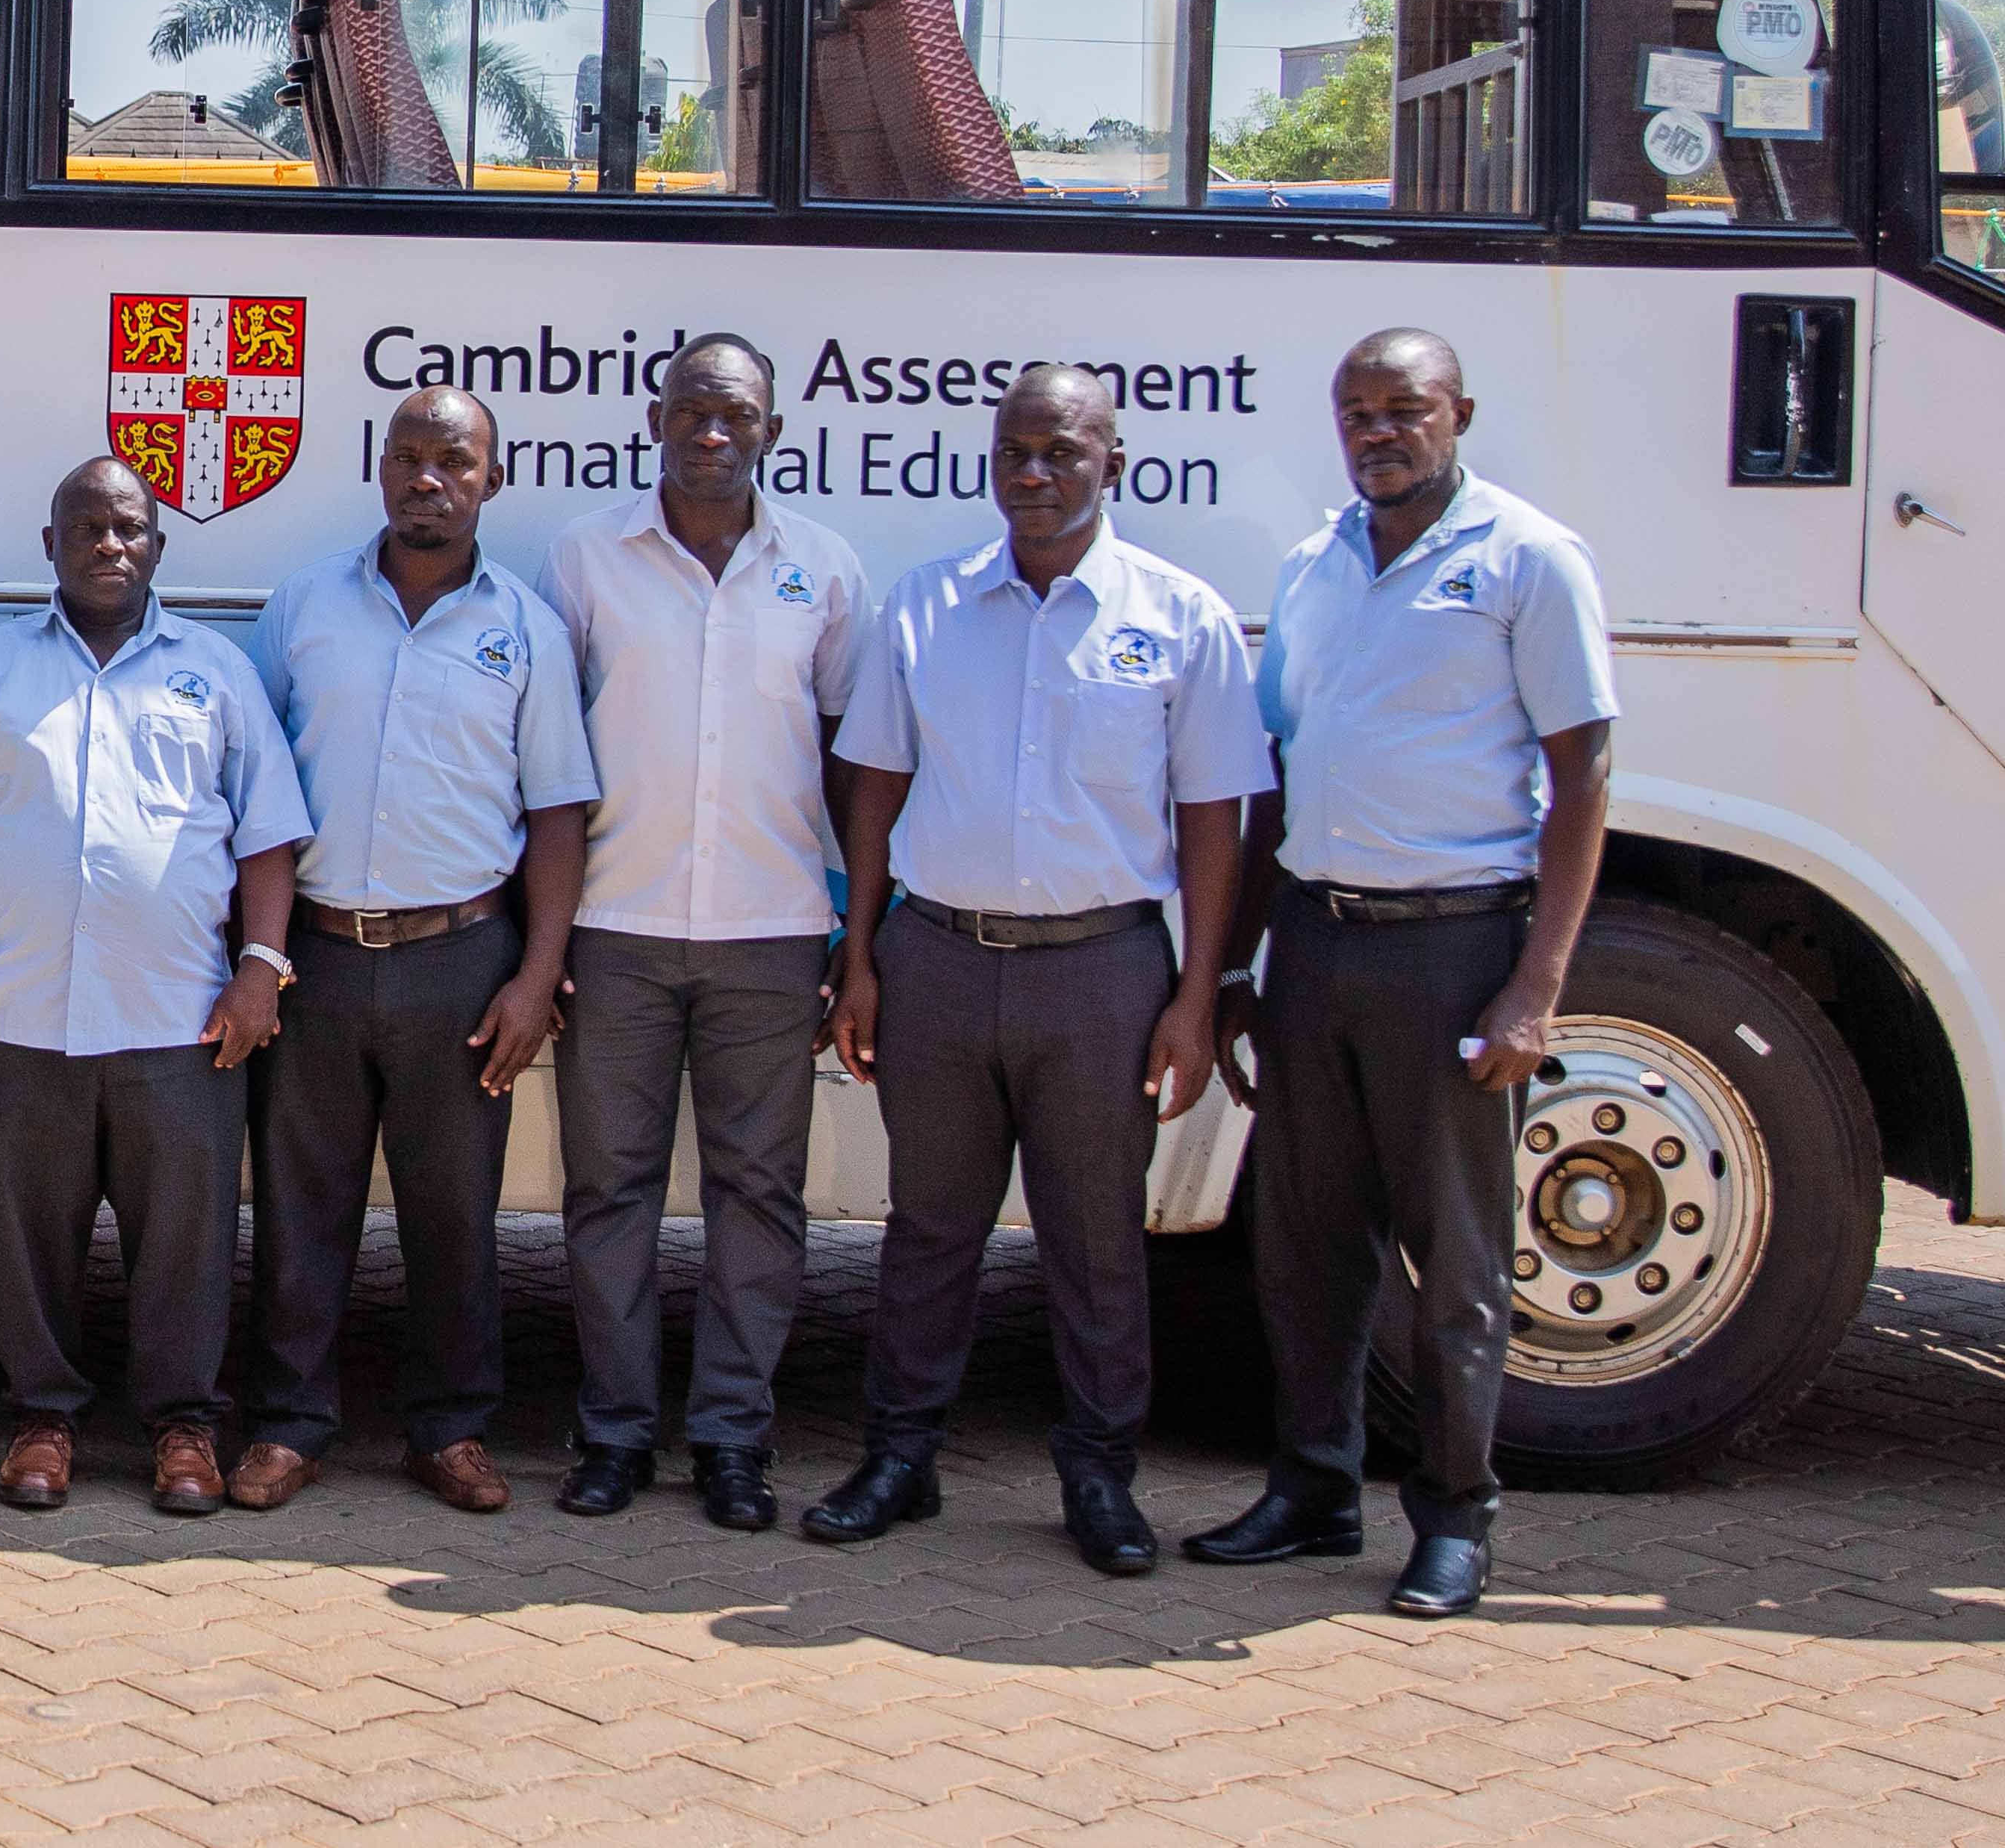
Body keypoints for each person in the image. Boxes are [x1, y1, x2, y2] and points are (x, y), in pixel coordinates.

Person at [1182, 328, 1617, 1623]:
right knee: (1306, 1248)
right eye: (1357, 411)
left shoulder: (1527, 560)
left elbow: (1585, 776)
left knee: (1459, 1257)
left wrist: (1534, 988)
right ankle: (1313, 1489)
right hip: (1318, 940)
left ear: (1460, 413)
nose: (1379, 431)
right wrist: (1245, 964)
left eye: (1405, 408)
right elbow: (1280, 774)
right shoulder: (1315, 566)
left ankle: (1455, 1520)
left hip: (1452, 943)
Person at [819, 365, 1266, 1575]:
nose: (1032, 472)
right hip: (939, 961)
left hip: (1105, 973)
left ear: (1110, 463)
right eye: (1015, 450)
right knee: (929, 1231)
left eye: (1061, 451)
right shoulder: (927, 607)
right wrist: (859, 955)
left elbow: (1216, 820)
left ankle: (1100, 1478)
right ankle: (900, 1457)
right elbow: (873, 793)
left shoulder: (1180, 617)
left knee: (1095, 1241)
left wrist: (1192, 996)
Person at [0, 458, 308, 1518]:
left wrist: (261, 966)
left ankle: (183, 1427)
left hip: (182, 1016)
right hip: (17, 1012)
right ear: (49, 544)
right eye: (85, 527)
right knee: (24, 1236)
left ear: (160, 546)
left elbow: (268, 836)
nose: (108, 545)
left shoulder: (216, 670)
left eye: (129, 528)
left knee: (186, 1237)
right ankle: (43, 1416)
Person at [237, 388, 589, 1513]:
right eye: (409, 455)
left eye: (455, 460)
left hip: (462, 961)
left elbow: (558, 815)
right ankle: (291, 1425)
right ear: (379, 467)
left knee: (454, 1213)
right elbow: (249, 790)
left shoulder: (526, 627)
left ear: (494, 478)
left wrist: (536, 976)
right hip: (318, 955)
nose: (428, 477)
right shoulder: (304, 608)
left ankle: (451, 1428)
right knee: (301, 1209)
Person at [541, 336, 871, 1522]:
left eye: (736, 414)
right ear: (656, 418)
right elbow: (550, 763)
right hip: (615, 927)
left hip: (773, 934)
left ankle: (734, 1438)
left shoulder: (824, 571)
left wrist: (855, 932)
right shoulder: (587, 559)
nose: (712, 433)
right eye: (692, 411)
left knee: (758, 1196)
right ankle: (616, 1434)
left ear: (773, 430)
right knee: (608, 1194)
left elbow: (852, 767)